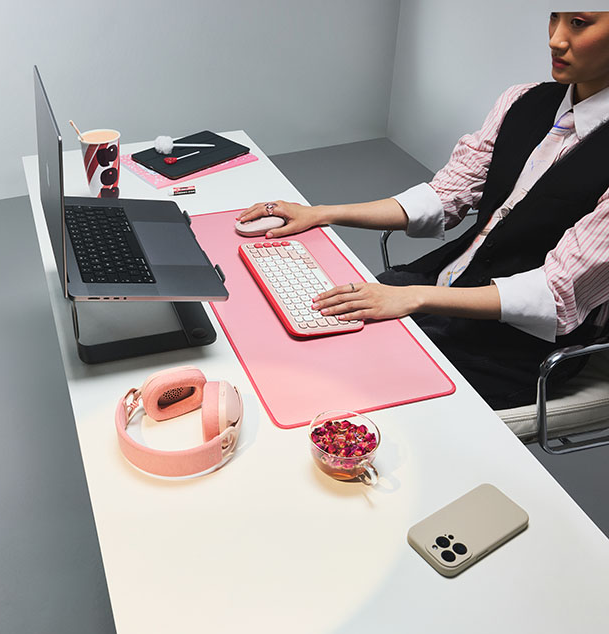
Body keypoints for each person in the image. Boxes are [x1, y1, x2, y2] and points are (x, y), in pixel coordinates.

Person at [237, 11, 609, 410]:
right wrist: (321, 213)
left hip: (517, 346)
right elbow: (445, 194)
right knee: (308, 327)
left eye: (579, 23)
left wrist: (414, 299)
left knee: (341, 384)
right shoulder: (522, 100)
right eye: (555, 18)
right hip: (444, 282)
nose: (555, 39)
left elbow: (554, 294)